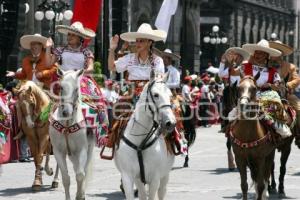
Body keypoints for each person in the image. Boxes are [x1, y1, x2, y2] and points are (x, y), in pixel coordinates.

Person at [45, 21, 108, 146]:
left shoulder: (86, 52)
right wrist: (48, 48)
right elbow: (48, 64)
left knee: (98, 104)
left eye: (72, 35)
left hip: (80, 79)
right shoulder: (60, 50)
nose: (69, 37)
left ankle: (98, 131)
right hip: (63, 80)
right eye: (68, 35)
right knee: (45, 106)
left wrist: (77, 73)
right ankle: (46, 131)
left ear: (80, 38)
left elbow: (90, 68)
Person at [226, 39, 291, 138]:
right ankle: (229, 132)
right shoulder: (245, 66)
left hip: (267, 95)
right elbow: (233, 73)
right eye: (256, 52)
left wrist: (269, 85)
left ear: (266, 55)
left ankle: (278, 129)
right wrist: (230, 63)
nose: (257, 55)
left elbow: (278, 86)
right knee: (232, 114)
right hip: (249, 94)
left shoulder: (273, 71)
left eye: (260, 53)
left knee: (273, 109)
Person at [269, 40, 300, 128]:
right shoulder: (265, 65)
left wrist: (287, 85)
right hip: (266, 93)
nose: (274, 54)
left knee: (299, 109)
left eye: (277, 52)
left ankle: (298, 134)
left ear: (281, 54)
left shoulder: (290, 66)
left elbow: (297, 79)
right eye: (273, 51)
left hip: (287, 95)